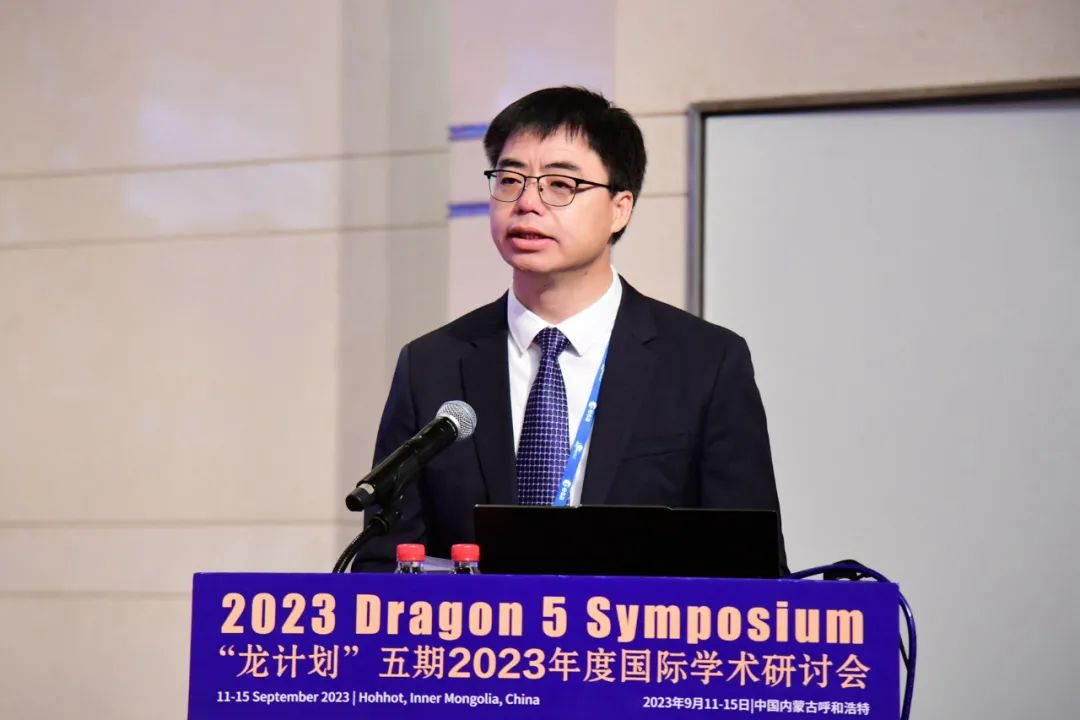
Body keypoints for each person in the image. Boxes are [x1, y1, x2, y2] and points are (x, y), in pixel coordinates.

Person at [353, 86, 784, 571]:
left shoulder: (704, 363)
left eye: (560, 185)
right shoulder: (431, 365)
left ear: (620, 208)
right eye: (510, 179)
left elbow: (754, 570)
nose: (527, 203)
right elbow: (383, 566)